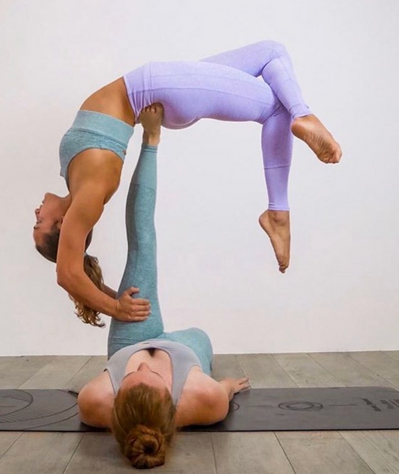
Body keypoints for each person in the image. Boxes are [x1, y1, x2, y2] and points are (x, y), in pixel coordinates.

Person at [33, 40, 342, 326]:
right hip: (160, 87)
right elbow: (68, 273)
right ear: (61, 223)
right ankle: (279, 207)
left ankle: (281, 205)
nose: (35, 215)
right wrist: (116, 308)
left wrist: (111, 296)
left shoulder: (78, 183)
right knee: (278, 106)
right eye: (38, 225)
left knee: (271, 57)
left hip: (167, 86)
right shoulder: (87, 199)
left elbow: (75, 272)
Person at [77, 105, 250, 469]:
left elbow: (120, 395)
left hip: (134, 335)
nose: (139, 370)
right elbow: (225, 391)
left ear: (116, 402)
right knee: (203, 335)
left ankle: (151, 139)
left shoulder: (95, 401)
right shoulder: (203, 399)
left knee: (143, 241)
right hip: (184, 349)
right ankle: (190, 344)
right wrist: (229, 386)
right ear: (173, 406)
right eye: (151, 378)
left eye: (129, 380)